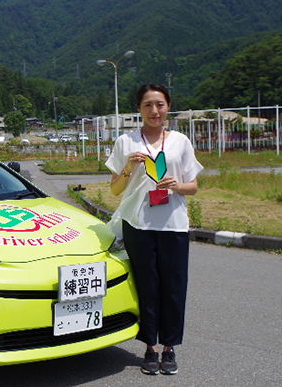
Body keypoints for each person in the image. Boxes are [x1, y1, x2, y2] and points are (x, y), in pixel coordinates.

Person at [105, 83, 203, 376]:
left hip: (173, 225)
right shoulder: (125, 141)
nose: (154, 111)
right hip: (138, 224)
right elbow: (114, 190)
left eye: (159, 104)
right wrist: (128, 169)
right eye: (147, 105)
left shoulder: (180, 142)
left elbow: (193, 187)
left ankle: (169, 347)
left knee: (174, 287)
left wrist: (177, 185)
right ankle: (149, 346)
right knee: (146, 285)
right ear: (139, 109)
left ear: (168, 107)